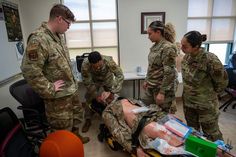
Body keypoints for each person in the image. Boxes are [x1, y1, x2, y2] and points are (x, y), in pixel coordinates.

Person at [21, 4, 89, 143]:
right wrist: (49, 88)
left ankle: (76, 138)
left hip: (71, 90)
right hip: (58, 98)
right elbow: (29, 70)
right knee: (61, 129)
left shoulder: (58, 36)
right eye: (68, 23)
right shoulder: (39, 39)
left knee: (76, 117)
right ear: (59, 19)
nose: (68, 27)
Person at [97, 91, 233, 157]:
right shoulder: (108, 112)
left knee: (185, 129)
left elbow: (148, 106)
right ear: (102, 101)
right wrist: (134, 148)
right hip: (143, 125)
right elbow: (117, 131)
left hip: (157, 115)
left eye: (107, 92)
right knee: (164, 133)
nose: (105, 93)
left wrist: (165, 113)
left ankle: (219, 150)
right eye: (102, 95)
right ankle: (203, 151)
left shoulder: (131, 99)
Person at [180, 31, 228, 142]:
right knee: (193, 133)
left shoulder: (210, 60)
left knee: (212, 135)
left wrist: (207, 95)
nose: (181, 48)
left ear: (196, 46)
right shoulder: (186, 58)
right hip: (189, 104)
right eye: (181, 44)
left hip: (206, 106)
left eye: (185, 46)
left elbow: (222, 82)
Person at [81, 51, 124, 132]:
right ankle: (88, 119)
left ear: (101, 60)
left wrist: (112, 92)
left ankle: (115, 119)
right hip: (94, 81)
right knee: (88, 97)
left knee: (113, 99)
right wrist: (96, 95)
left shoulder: (108, 61)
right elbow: (87, 81)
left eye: (99, 66)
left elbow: (120, 75)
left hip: (107, 79)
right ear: (90, 64)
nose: (97, 68)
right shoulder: (85, 65)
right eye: (94, 67)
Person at [142, 21, 178, 114]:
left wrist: (162, 92)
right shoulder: (155, 46)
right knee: (151, 113)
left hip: (161, 88)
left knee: (163, 116)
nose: (148, 37)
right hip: (152, 86)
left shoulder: (167, 47)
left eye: (150, 34)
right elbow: (151, 66)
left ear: (158, 32)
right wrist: (146, 80)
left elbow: (170, 72)